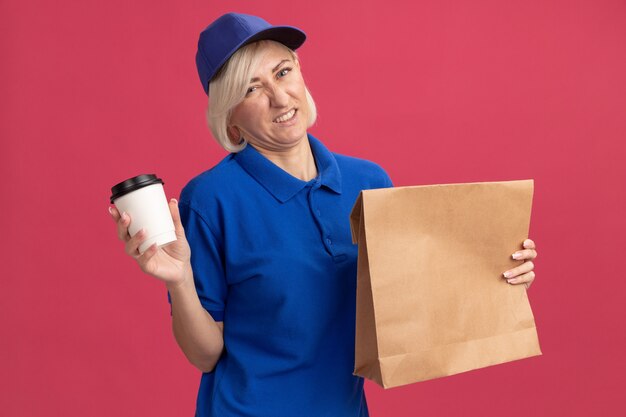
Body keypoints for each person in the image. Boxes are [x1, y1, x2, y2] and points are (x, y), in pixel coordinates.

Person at [108, 12, 539, 417]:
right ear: (231, 120)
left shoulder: (368, 181)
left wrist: (495, 273)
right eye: (251, 89)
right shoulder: (209, 200)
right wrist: (180, 281)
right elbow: (205, 354)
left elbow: (411, 302)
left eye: (282, 72)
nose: (280, 97)